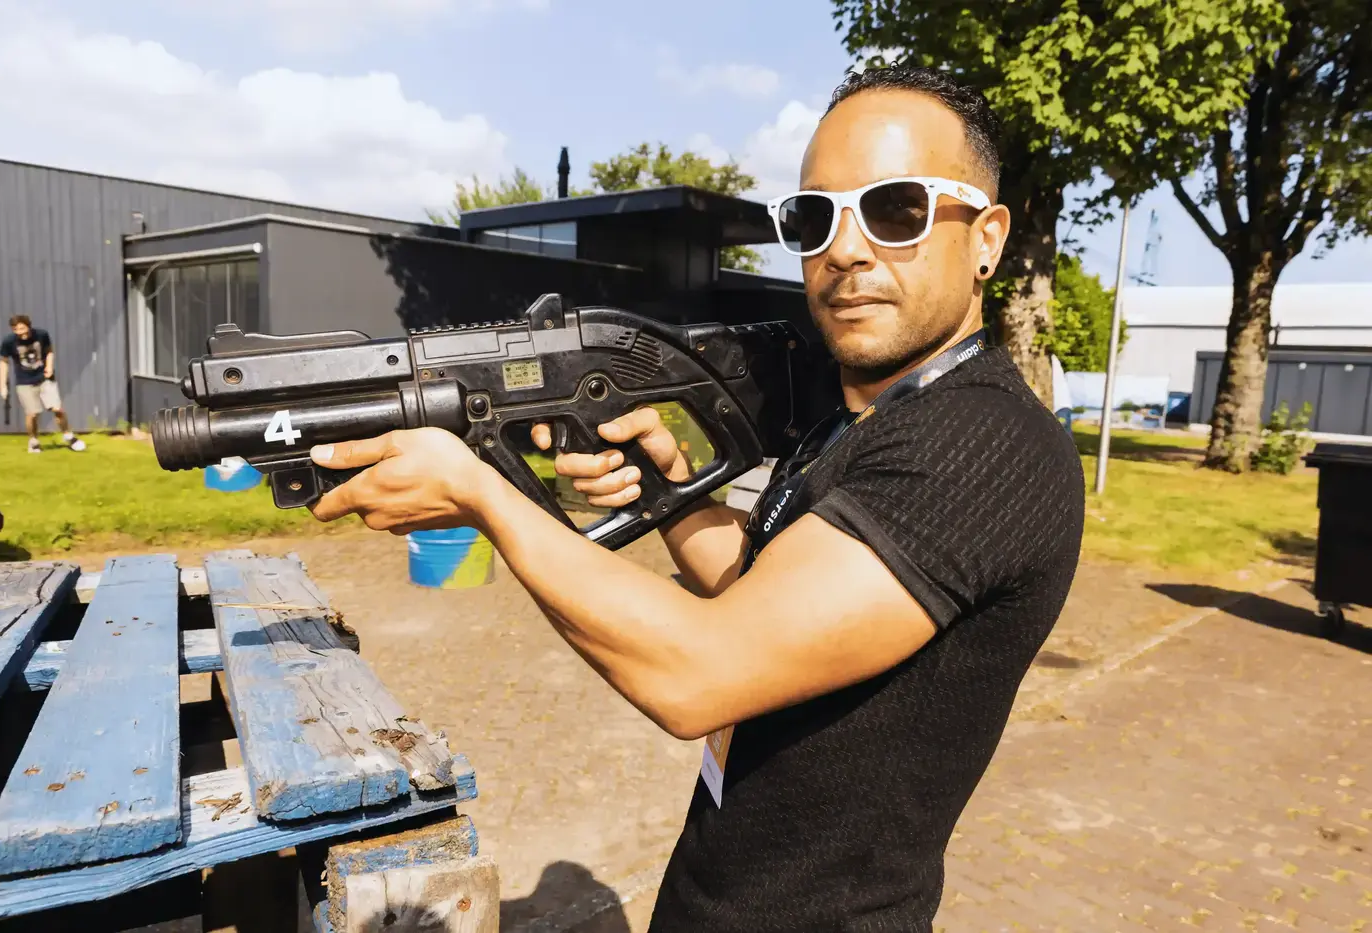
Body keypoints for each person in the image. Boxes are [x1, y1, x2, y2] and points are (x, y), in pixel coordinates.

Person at [305, 65, 1085, 932]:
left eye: (895, 209)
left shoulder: (984, 442)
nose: (848, 248)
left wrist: (485, 494)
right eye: (816, 216)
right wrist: (671, 492)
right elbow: (751, 588)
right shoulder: (861, 418)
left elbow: (700, 670)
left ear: (988, 236)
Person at [0, 315, 87, 453]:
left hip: (44, 378)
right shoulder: (9, 341)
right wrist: (2, 385)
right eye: (16, 329)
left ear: (28, 326)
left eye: (22, 328)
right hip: (24, 382)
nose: (20, 332)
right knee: (32, 414)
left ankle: (69, 437)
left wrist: (49, 367)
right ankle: (33, 442)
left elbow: (49, 351)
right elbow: (3, 362)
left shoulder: (41, 334)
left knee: (57, 409)